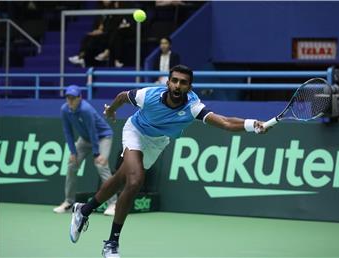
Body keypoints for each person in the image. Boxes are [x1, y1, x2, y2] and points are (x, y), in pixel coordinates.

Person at [68, 65, 267, 258]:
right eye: (174, 81)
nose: (177, 86)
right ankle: (112, 242)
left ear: (189, 87)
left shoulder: (193, 107)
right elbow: (122, 97)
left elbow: (224, 122)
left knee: (121, 179)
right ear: (168, 83)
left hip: (158, 142)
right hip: (135, 132)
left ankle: (83, 210)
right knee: (135, 181)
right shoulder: (149, 95)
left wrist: (251, 125)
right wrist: (111, 111)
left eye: (183, 83)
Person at [53, 85, 117, 216]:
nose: (70, 101)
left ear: (80, 98)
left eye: (73, 98)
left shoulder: (86, 109)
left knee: (101, 165)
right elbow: (68, 132)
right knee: (72, 165)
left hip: (103, 137)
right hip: (85, 139)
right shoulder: (65, 110)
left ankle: (114, 203)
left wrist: (96, 153)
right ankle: (69, 202)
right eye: (68, 98)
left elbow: (92, 131)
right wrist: (73, 152)